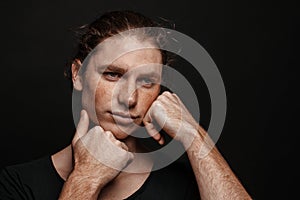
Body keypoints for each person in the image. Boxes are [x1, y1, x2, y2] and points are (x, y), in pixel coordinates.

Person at [0, 10, 251, 199]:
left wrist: (193, 135)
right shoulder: (16, 183)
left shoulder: (186, 183)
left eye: (146, 81)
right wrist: (86, 178)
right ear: (78, 74)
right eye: (113, 74)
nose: (129, 98)